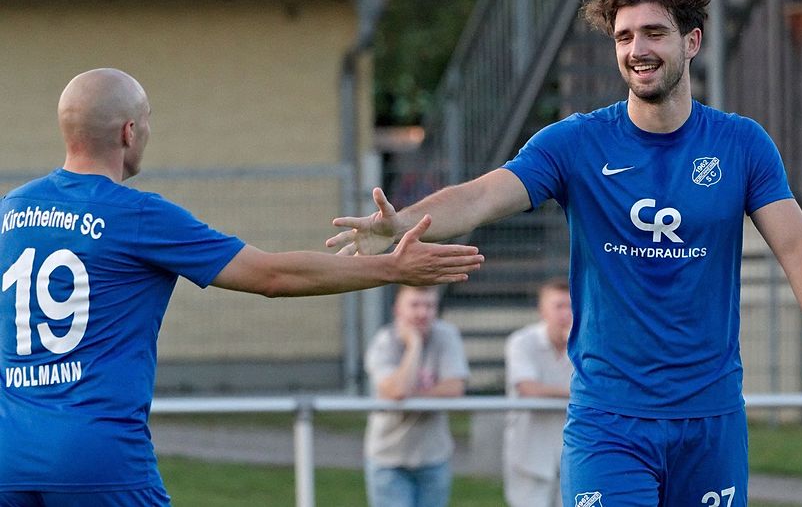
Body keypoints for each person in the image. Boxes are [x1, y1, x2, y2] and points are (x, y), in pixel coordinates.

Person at [327, 0, 802, 505]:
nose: (637, 49)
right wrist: (401, 223)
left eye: (654, 33)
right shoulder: (576, 143)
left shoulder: (742, 145)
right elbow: (482, 196)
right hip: (609, 422)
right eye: (624, 36)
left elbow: (797, 249)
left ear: (692, 42)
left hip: (710, 419)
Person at [0, 68, 484, 507]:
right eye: (147, 120)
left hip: (9, 453)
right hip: (95, 454)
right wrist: (391, 269)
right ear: (129, 131)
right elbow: (272, 276)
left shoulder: (12, 210)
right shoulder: (138, 214)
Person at [363, 284, 469, 507]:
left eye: (429, 306)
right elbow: (397, 390)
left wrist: (411, 395)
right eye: (415, 305)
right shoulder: (384, 341)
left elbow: (454, 388)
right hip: (388, 457)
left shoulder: (446, 335)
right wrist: (414, 345)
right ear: (397, 309)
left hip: (434, 456)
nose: (423, 312)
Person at [503, 278, 573, 507]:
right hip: (529, 455)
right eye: (559, 306)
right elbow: (528, 388)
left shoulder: (586, 344)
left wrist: (577, 348)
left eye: (571, 306)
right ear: (542, 310)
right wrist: (577, 393)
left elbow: (601, 387)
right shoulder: (521, 341)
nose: (566, 313)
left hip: (573, 454)